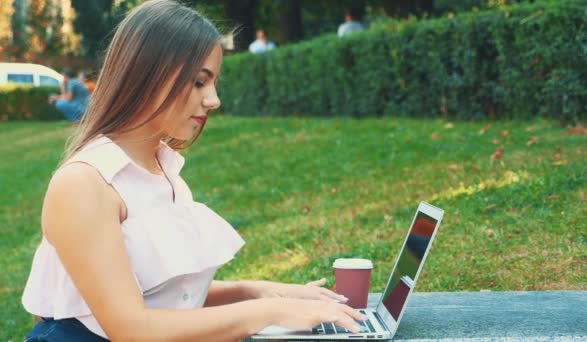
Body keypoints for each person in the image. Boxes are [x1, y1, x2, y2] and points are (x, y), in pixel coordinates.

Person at [22, 1, 365, 340]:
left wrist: (261, 291)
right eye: (199, 82)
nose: (213, 100)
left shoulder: (160, 166)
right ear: (147, 74)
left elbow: (164, 293)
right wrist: (269, 312)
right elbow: (131, 329)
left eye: (213, 82)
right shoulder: (85, 183)